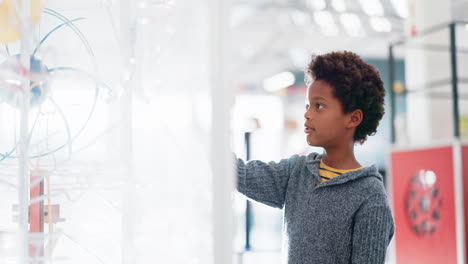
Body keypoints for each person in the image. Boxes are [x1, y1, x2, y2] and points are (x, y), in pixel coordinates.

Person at [235, 51, 394, 264]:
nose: (307, 114)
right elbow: (241, 175)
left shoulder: (370, 197)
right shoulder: (296, 171)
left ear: (353, 118)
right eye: (307, 106)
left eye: (319, 106)